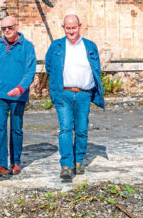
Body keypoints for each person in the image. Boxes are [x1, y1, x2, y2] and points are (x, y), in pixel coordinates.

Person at [45, 14, 105, 180]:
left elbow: (96, 68)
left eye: (74, 27)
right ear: (63, 28)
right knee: (65, 128)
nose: (71, 31)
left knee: (82, 129)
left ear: (79, 26)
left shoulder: (89, 46)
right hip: (64, 93)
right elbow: (49, 67)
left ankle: (79, 161)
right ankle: (66, 165)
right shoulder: (56, 46)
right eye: (68, 28)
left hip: (84, 94)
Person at [0, 16, 37, 177]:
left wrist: (20, 88)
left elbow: (30, 71)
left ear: (17, 26)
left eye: (10, 27)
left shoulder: (27, 47)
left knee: (16, 129)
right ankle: (0, 164)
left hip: (18, 95)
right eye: (4, 28)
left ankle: (15, 161)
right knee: (0, 128)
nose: (7, 31)